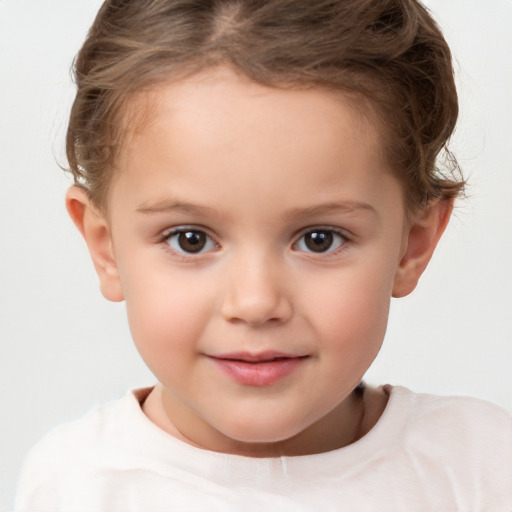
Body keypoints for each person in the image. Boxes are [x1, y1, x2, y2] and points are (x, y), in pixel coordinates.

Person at [14, 0, 511, 510]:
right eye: (191, 239)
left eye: (320, 239)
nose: (255, 303)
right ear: (106, 248)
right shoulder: (74, 486)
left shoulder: (483, 469)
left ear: (413, 243)